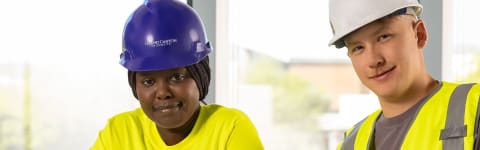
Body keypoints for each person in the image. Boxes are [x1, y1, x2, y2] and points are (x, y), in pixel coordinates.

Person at [90, 0, 264, 149]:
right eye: (149, 81)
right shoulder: (118, 134)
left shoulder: (230, 129)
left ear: (200, 76)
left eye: (177, 77)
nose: (163, 92)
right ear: (135, 85)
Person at [328, 0, 480, 149]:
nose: (373, 60)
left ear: (419, 35)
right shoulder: (351, 144)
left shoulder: (473, 108)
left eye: (383, 37)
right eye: (358, 47)